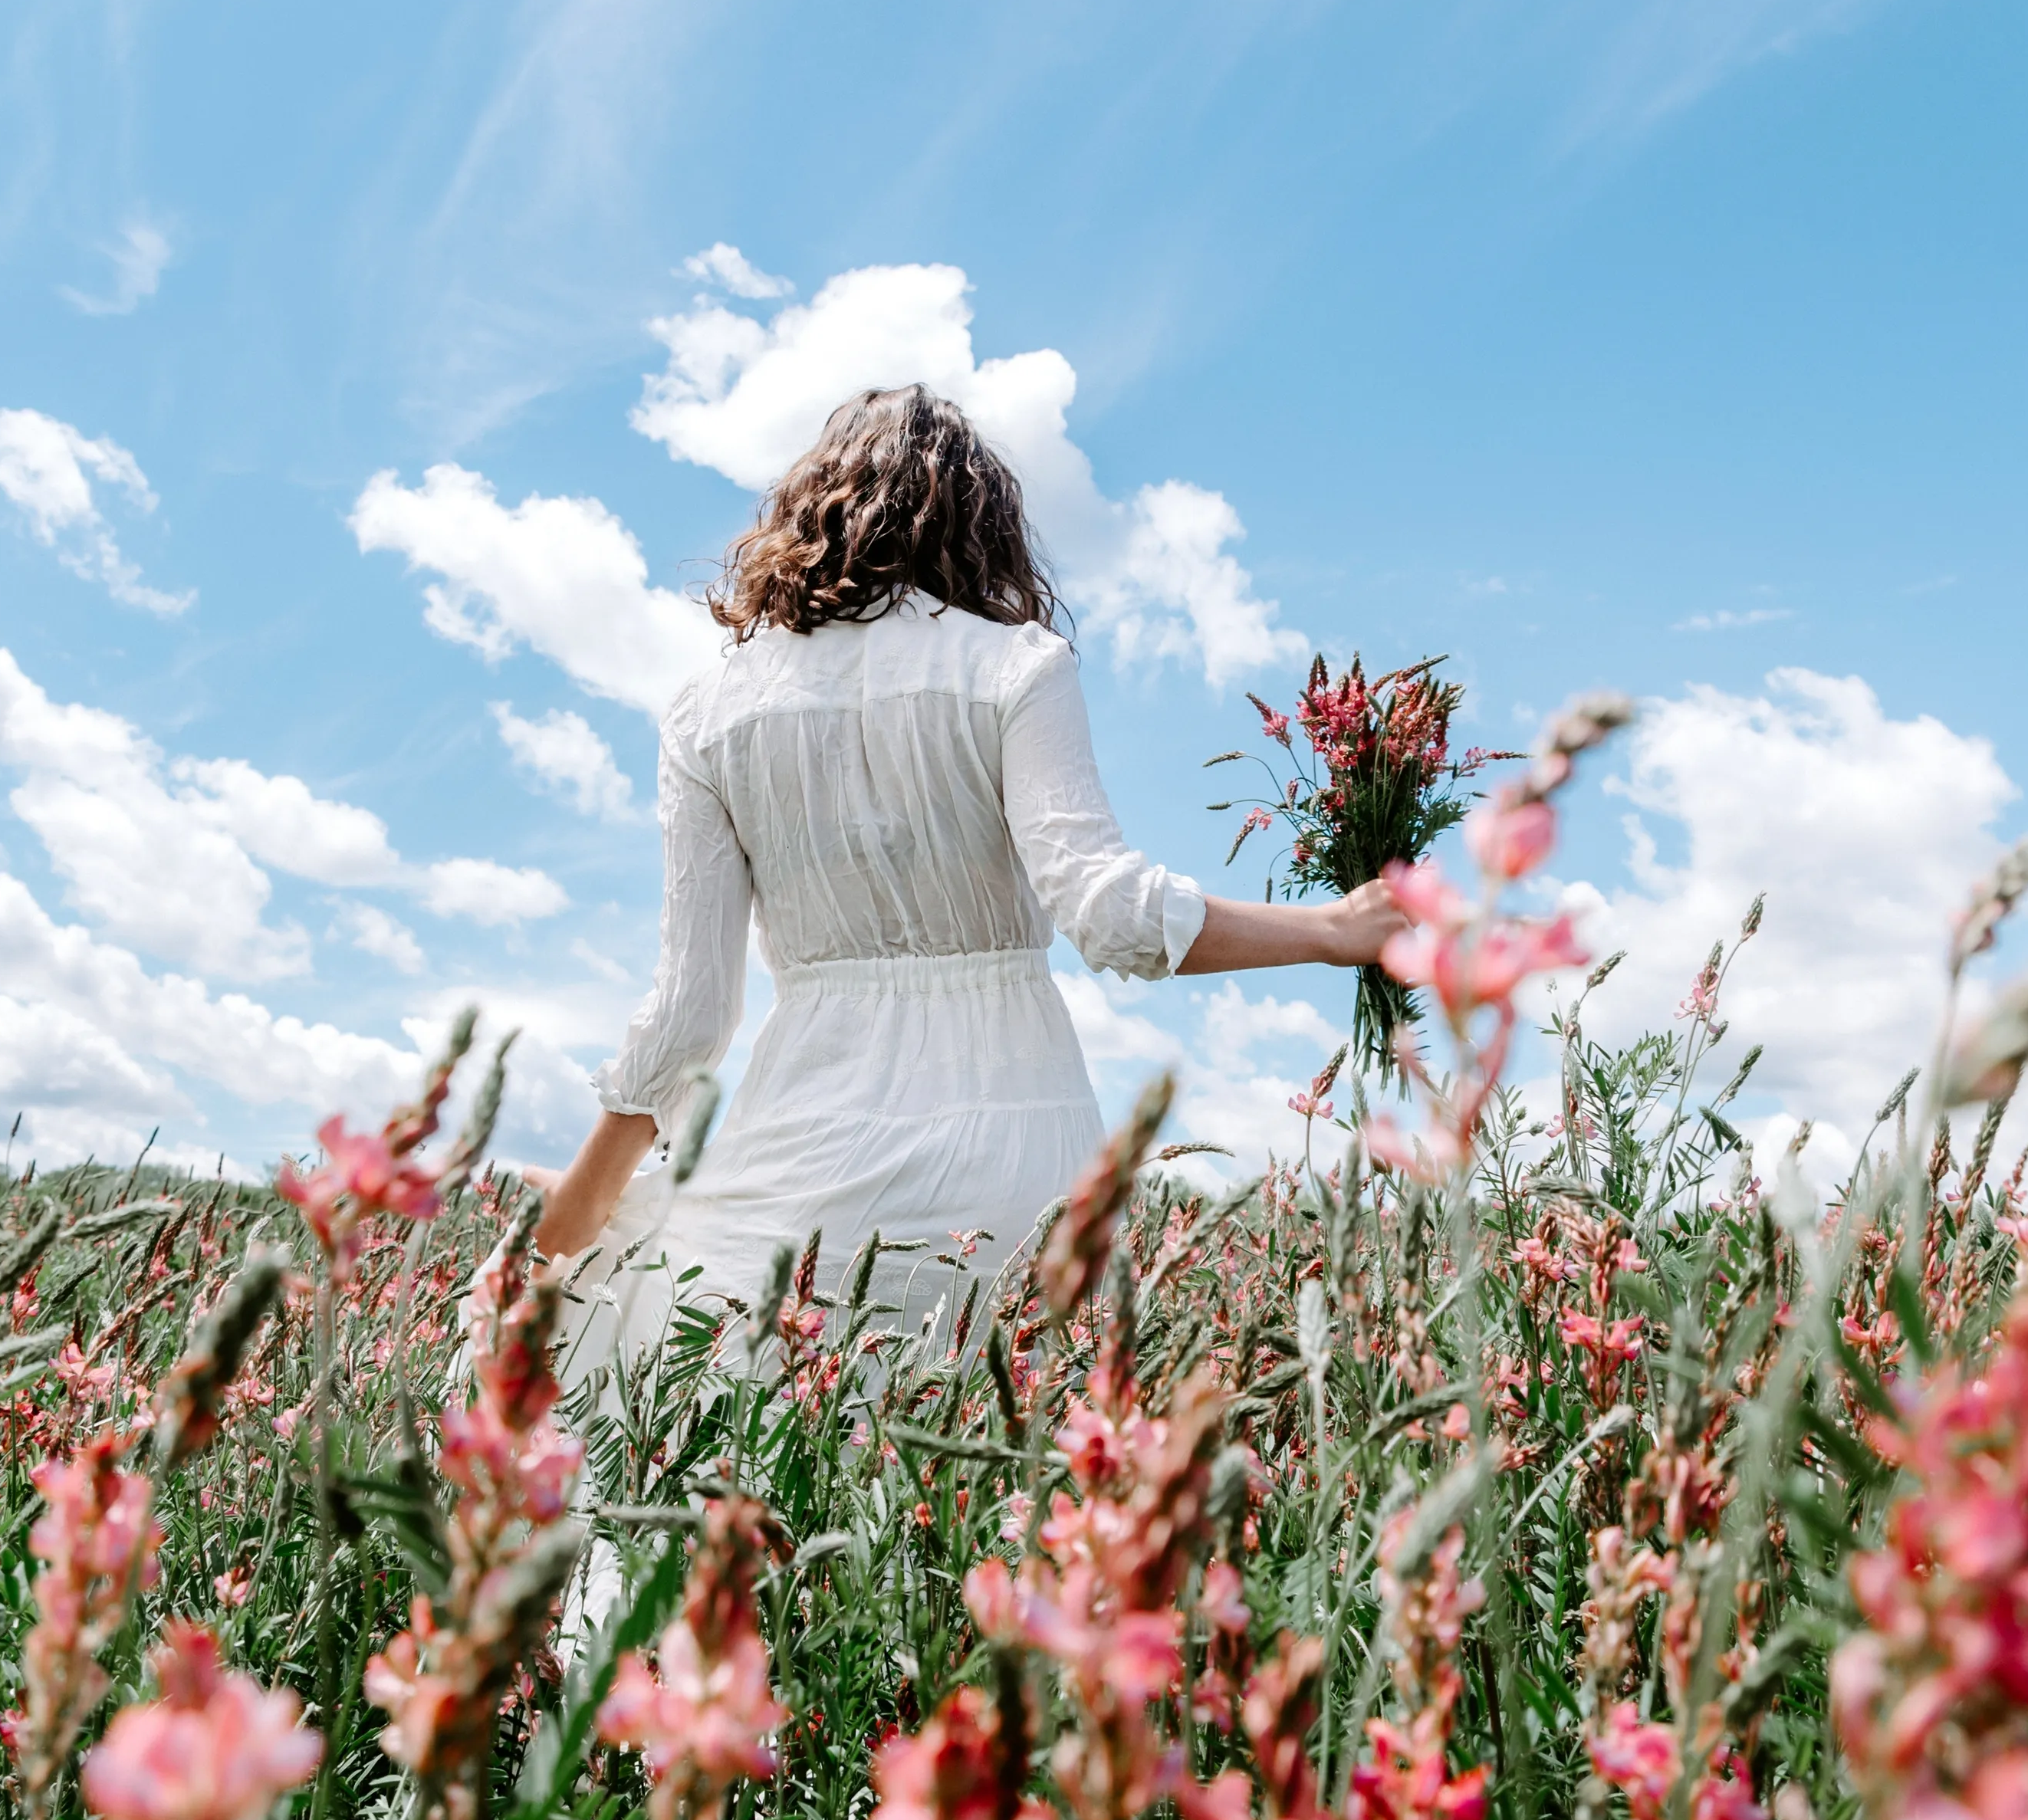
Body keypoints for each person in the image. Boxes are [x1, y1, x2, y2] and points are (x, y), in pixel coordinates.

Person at [527, 385, 1403, 1375]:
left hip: (796, 1166)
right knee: (1001, 1506)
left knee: (755, 1488)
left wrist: (559, 1246)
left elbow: (688, 1019)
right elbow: (1110, 914)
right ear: (983, 528)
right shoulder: (1017, 667)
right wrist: (1335, 929)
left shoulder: (708, 714)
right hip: (1013, 1164)